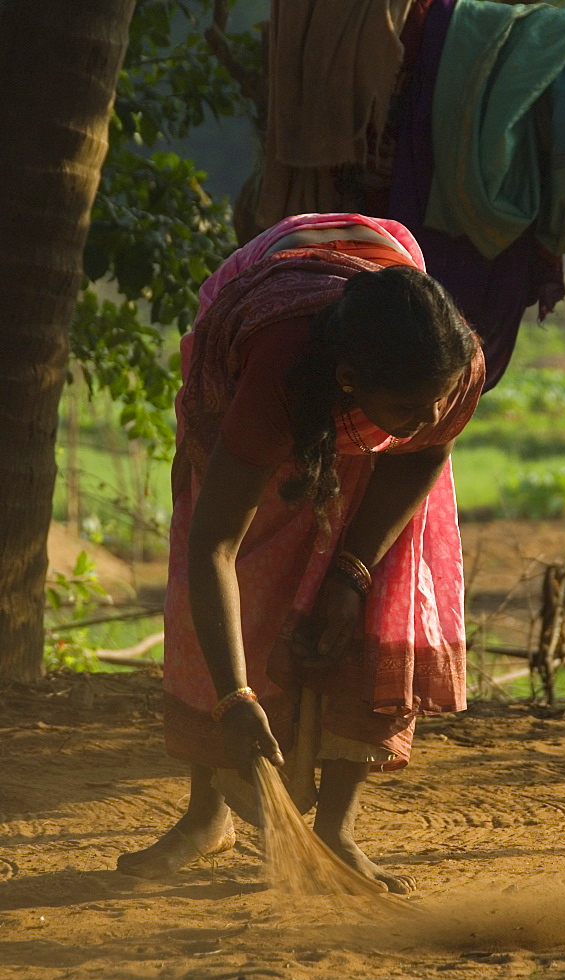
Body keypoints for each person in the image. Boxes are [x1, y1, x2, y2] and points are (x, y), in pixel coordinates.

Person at [117, 213, 485, 893]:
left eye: (437, 402)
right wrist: (234, 698)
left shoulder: (446, 367)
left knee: (384, 594)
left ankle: (336, 831)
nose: (430, 417)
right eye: (409, 406)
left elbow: (425, 450)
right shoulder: (272, 373)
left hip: (372, 331)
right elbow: (215, 548)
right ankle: (205, 816)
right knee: (251, 579)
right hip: (263, 346)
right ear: (348, 381)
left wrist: (352, 573)